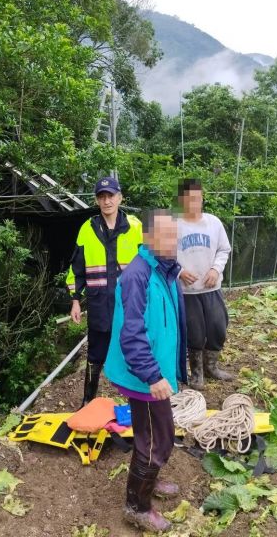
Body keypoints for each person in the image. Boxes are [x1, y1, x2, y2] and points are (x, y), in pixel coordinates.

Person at [103, 209, 187, 533]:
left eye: (174, 234)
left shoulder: (163, 270)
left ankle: (149, 482)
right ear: (147, 238)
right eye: (164, 235)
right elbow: (132, 333)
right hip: (143, 375)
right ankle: (136, 507)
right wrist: (152, 376)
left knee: (150, 434)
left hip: (151, 370)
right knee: (157, 440)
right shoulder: (138, 276)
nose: (172, 241)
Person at [66, 176, 143, 406]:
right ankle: (88, 401)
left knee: (133, 352)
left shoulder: (135, 226)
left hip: (130, 304)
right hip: (99, 304)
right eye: (102, 197)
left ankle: (135, 403)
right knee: (95, 356)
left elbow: (149, 264)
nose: (107, 201)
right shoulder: (88, 229)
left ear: (120, 198)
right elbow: (77, 267)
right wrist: (75, 300)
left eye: (111, 196)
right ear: (97, 201)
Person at [176, 179, 233, 390]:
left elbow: (224, 250)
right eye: (189, 198)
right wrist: (180, 271)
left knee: (218, 327)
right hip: (187, 291)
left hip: (212, 288)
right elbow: (163, 255)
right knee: (195, 333)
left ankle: (212, 367)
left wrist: (215, 269)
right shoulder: (174, 225)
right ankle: (197, 373)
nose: (194, 202)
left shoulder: (213, 222)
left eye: (197, 197)